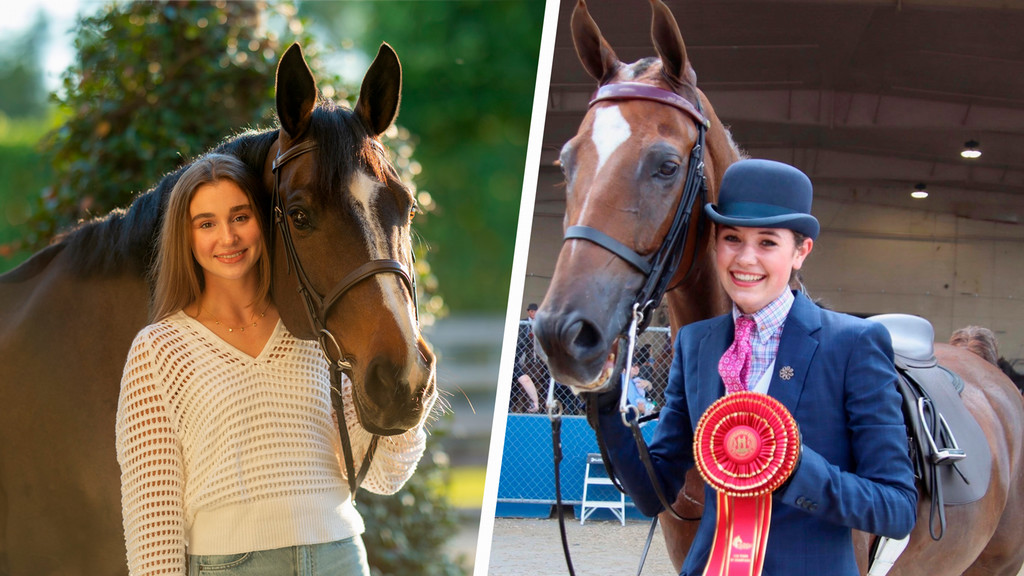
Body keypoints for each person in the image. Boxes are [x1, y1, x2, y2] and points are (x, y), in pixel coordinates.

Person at [588, 159, 917, 575]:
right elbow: (655, 494)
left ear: (801, 251)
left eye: (767, 243)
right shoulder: (696, 343)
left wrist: (794, 469)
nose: (745, 259)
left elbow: (897, 509)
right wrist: (605, 406)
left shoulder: (853, 344)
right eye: (731, 238)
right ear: (715, 244)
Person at [115, 154, 428, 576]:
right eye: (206, 223)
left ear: (263, 221)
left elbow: (384, 475)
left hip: (338, 555)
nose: (227, 237)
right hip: (230, 566)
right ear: (185, 237)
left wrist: (410, 390)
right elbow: (152, 518)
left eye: (239, 216)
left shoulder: (318, 335)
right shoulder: (160, 350)